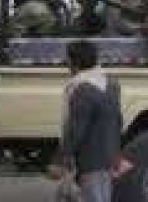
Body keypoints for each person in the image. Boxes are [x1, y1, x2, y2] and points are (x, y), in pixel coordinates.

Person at [49, 40, 123, 202]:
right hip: (108, 156)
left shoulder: (81, 88)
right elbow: (118, 121)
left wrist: (60, 160)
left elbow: (75, 130)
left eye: (68, 58)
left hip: (90, 159)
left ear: (74, 61)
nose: (66, 62)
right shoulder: (111, 84)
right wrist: (116, 153)